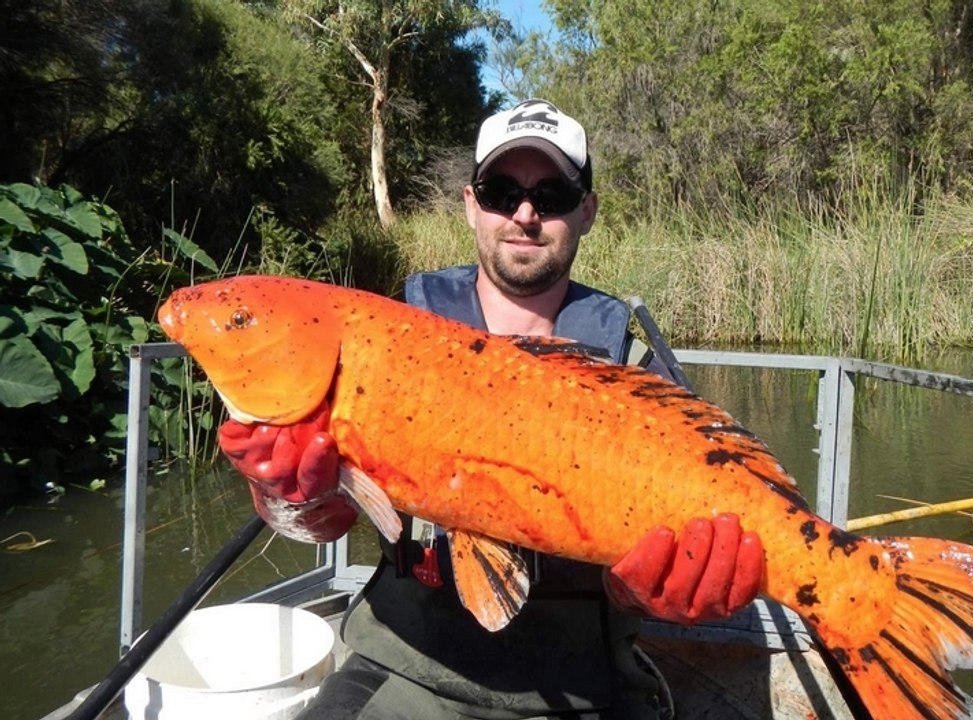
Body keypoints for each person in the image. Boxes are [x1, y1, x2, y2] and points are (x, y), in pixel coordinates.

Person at [218, 99, 764, 719]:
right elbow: (323, 519)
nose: (525, 214)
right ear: (471, 204)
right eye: (502, 191)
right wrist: (288, 501)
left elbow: (679, 576)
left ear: (586, 211)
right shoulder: (386, 338)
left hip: (585, 685)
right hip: (406, 663)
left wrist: (658, 592)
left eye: (551, 195)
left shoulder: (634, 371)